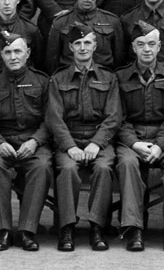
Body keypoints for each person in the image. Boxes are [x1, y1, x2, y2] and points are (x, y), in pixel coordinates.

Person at [45, 22, 120, 251]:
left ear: (95, 45)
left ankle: (97, 227)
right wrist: (70, 147)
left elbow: (114, 116)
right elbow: (54, 119)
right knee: (67, 169)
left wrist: (97, 144)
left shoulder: (109, 77)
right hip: (70, 138)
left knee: (104, 168)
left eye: (87, 42)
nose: (83, 47)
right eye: (78, 43)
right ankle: (67, 227)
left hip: (100, 138)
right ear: (70, 47)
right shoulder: (58, 79)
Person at [115, 20, 164, 252]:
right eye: (141, 44)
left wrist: (160, 145)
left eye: (151, 44)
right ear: (133, 48)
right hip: (132, 136)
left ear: (159, 48)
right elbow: (118, 117)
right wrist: (134, 143)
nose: (146, 49)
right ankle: (133, 228)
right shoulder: (120, 77)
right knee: (127, 163)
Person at [0, 31, 52, 251]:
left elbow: (51, 120)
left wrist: (34, 142)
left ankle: (27, 230)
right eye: (8, 52)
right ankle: (2, 230)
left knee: (41, 166)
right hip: (2, 141)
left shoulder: (42, 82)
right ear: (1, 55)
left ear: (28, 53)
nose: (13, 56)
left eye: (18, 51)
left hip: (34, 141)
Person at [47, 0, 125, 73]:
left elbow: (119, 61)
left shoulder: (112, 22)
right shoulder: (60, 22)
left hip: (104, 82)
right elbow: (52, 63)